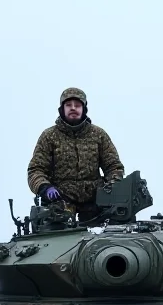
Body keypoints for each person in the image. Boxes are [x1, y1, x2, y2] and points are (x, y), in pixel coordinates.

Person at [27, 87, 125, 222]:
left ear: (84, 109)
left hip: (95, 198)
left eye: (78, 105)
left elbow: (113, 166)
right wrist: (44, 187)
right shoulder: (49, 136)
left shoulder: (98, 135)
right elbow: (36, 170)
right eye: (68, 105)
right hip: (61, 198)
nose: (73, 108)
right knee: (55, 224)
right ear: (62, 109)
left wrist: (112, 186)